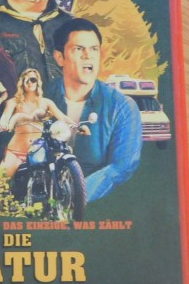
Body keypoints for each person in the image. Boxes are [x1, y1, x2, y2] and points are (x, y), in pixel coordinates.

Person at [47, 18, 142, 202]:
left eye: (94, 49)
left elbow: (122, 167)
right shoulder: (41, 97)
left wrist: (73, 197)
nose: (87, 56)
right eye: (78, 49)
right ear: (59, 57)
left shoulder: (123, 107)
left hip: (95, 207)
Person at [0, 68, 75, 180]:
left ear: (38, 82)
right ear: (22, 83)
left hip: (39, 152)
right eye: (26, 80)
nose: (29, 82)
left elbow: (62, 117)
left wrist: (77, 126)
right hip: (16, 152)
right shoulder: (13, 102)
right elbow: (5, 117)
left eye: (32, 79)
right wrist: (4, 124)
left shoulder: (46, 102)